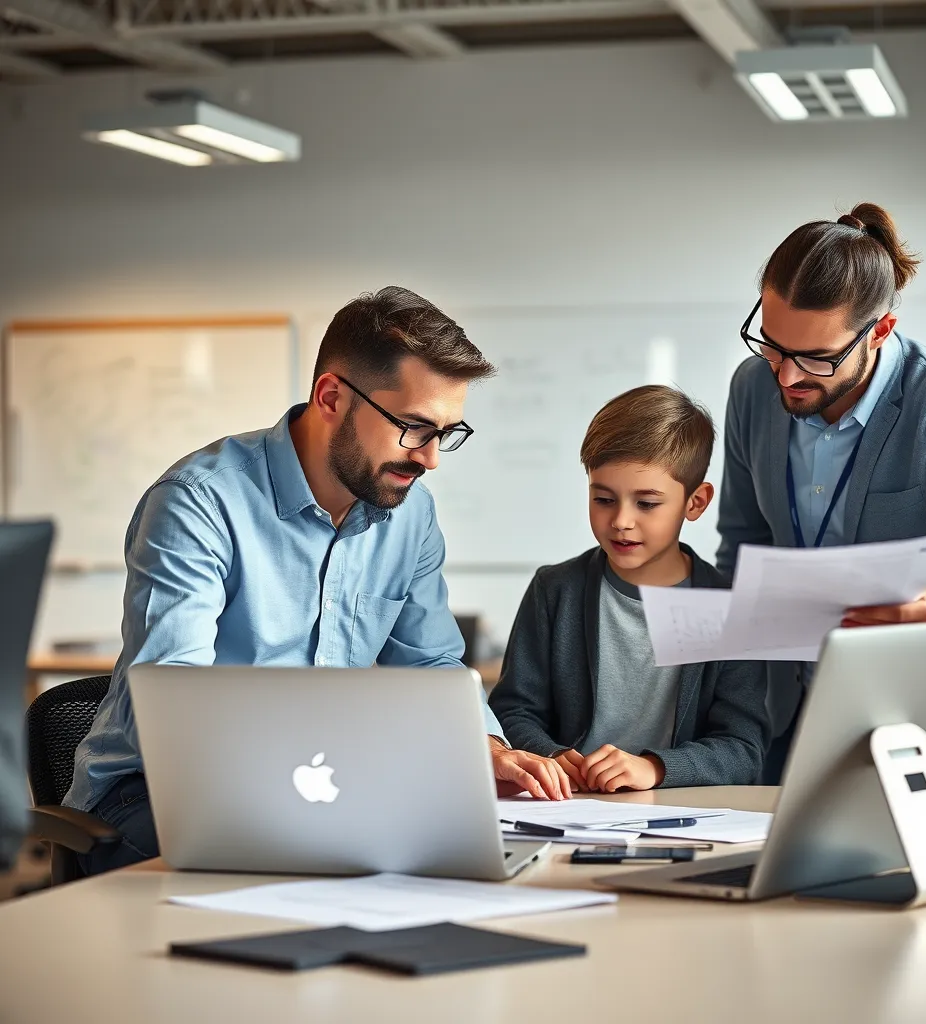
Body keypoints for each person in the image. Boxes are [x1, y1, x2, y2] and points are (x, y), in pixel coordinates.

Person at [65, 286, 572, 875]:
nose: (431, 458)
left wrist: (485, 748)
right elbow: (173, 704)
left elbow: (431, 667)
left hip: (327, 787)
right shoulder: (198, 503)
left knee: (462, 872)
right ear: (331, 396)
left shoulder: (411, 514)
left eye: (446, 433)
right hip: (153, 796)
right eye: (413, 428)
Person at [716, 203, 926, 782]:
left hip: (924, 719)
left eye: (816, 358)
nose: (786, 376)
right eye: (774, 345)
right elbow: (742, 543)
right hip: (788, 712)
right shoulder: (753, 388)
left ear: (880, 331)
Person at [489, 385, 770, 792]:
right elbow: (513, 711)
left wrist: (655, 768)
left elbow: (743, 747)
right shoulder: (555, 590)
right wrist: (548, 755)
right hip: (567, 806)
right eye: (604, 499)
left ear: (695, 502)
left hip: (679, 811)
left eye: (647, 504)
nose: (621, 520)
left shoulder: (728, 607)